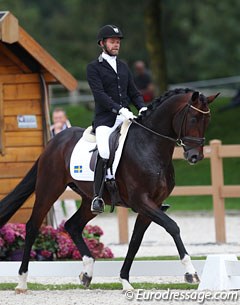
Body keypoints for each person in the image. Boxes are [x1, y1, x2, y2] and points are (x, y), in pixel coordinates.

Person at [87, 24, 147, 214]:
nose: (116, 44)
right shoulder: (93, 68)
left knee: (141, 145)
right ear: (102, 43)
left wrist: (143, 107)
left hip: (125, 117)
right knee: (104, 151)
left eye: (118, 41)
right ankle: (97, 196)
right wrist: (119, 109)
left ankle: (147, 191)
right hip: (105, 119)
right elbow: (100, 95)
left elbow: (134, 92)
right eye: (112, 41)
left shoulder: (123, 66)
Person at [50, 108, 77, 227]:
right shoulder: (49, 131)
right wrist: (55, 133)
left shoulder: (73, 131)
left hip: (69, 171)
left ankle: (75, 227)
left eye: (60, 118)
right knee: (55, 203)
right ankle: (59, 228)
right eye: (56, 118)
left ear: (65, 118)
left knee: (69, 202)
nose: (58, 120)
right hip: (54, 173)